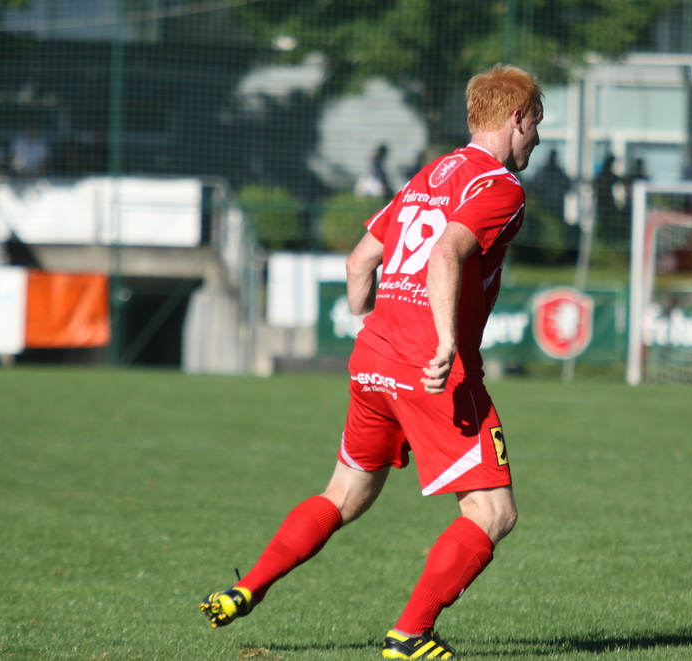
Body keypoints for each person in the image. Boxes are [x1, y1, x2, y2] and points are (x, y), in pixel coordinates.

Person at [199, 64, 543, 660]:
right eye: (537, 122)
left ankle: (243, 589)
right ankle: (409, 635)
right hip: (433, 372)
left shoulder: (429, 175)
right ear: (516, 118)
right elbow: (446, 253)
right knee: (493, 512)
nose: (537, 137)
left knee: (345, 494)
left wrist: (375, 328)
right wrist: (442, 341)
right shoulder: (501, 187)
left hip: (374, 364)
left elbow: (360, 263)